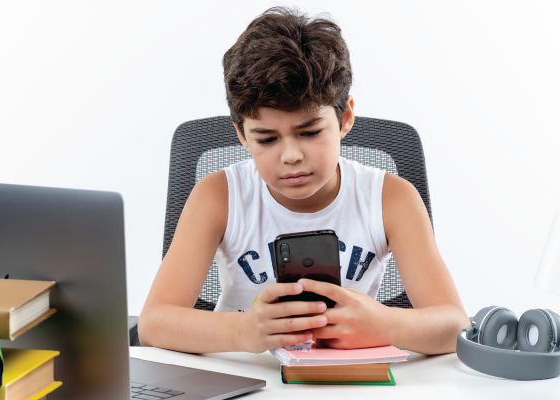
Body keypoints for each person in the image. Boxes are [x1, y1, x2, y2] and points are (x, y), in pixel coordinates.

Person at [139, 6, 468, 355]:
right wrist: (241, 332)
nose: (291, 155)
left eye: (309, 132)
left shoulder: (391, 198)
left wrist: (387, 325)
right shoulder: (219, 196)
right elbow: (153, 323)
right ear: (241, 135)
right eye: (266, 139)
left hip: (346, 380)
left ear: (345, 118)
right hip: (241, 377)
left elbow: (455, 325)